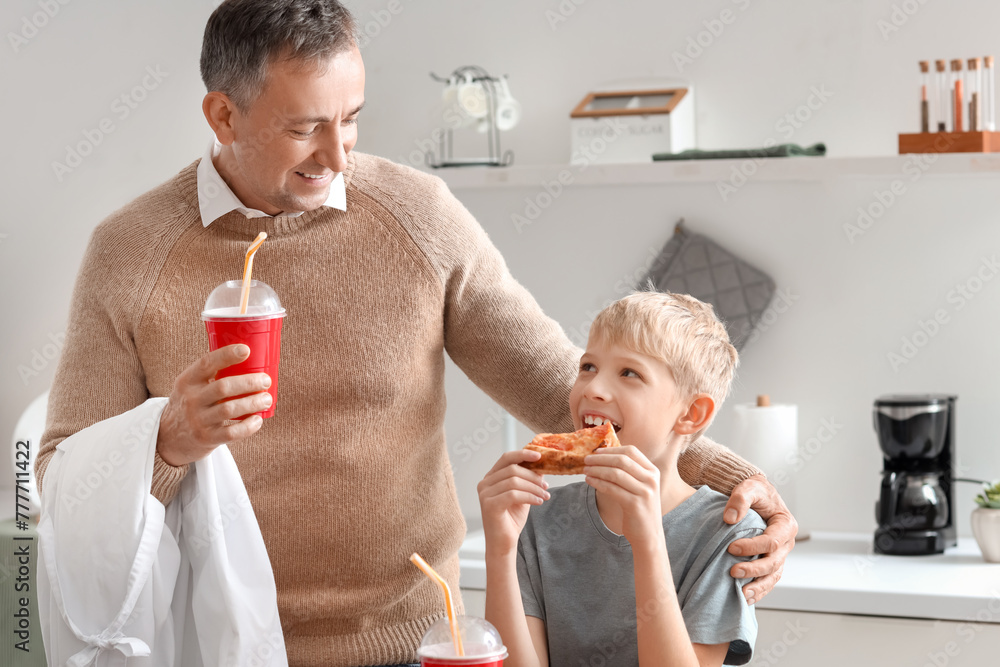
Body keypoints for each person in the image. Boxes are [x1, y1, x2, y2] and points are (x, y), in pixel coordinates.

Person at [35, 1, 795, 665]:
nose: (339, 158)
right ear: (223, 115)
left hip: (411, 645)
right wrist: (168, 439)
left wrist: (730, 480)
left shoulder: (418, 216)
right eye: (305, 129)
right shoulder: (130, 250)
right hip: (214, 645)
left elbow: (565, 389)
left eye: (352, 119)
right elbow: (63, 475)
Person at [478, 291, 765, 667]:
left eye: (629, 373)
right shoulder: (539, 519)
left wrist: (647, 540)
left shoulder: (728, 533)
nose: (592, 389)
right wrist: (500, 550)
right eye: (588, 367)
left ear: (691, 414)